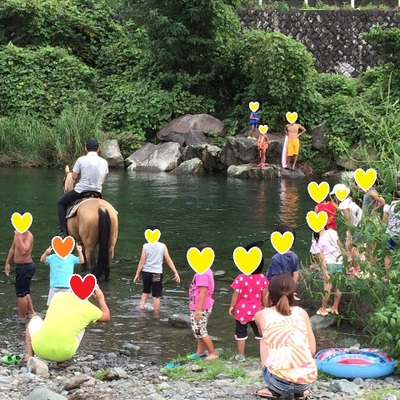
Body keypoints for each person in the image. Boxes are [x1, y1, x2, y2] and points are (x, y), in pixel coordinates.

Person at [255, 273, 317, 399]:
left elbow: (266, 336)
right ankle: (300, 392)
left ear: (269, 294)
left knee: (263, 339)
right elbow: (312, 350)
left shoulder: (262, 315)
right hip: (307, 380)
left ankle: (273, 389)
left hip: (278, 382)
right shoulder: (302, 313)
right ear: (293, 294)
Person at [23, 287, 110, 364]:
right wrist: (101, 299)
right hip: (65, 354)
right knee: (81, 328)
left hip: (40, 350)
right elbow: (106, 317)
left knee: (35, 319)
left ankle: (30, 355)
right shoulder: (90, 308)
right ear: (92, 292)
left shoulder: (58, 296)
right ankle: (61, 361)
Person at [57, 138, 108, 238]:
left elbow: (74, 177)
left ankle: (64, 232)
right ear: (98, 149)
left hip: (81, 191)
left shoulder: (81, 160)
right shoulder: (104, 162)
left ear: (85, 148)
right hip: (97, 192)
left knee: (60, 203)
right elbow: (102, 181)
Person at [229, 242, 269, 363]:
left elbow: (235, 293)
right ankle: (264, 355)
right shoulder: (262, 278)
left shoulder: (240, 278)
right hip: (257, 310)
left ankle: (241, 355)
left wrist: (232, 306)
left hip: (242, 311)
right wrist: (266, 307)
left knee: (241, 333)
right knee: (261, 333)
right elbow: (265, 295)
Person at [133, 225, 180, 311]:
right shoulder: (162, 246)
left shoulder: (145, 246)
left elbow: (141, 261)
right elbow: (168, 260)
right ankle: (156, 315)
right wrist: (175, 272)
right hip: (156, 274)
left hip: (146, 273)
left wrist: (137, 274)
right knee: (156, 295)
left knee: (145, 291)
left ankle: (141, 309)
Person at [188, 243, 218, 361]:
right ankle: (200, 353)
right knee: (199, 329)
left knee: (200, 330)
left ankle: (212, 353)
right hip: (199, 306)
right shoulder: (204, 271)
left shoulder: (203, 274)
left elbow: (203, 292)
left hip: (201, 307)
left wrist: (198, 309)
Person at [4, 229, 36, 322]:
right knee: (25, 292)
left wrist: (18, 237)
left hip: (26, 267)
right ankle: (31, 313)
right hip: (20, 267)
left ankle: (21, 318)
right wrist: (7, 263)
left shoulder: (29, 235)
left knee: (21, 294)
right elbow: (13, 249)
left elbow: (24, 251)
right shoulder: (17, 233)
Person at [314, 227, 345, 316]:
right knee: (339, 285)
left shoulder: (317, 240)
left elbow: (322, 259)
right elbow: (340, 245)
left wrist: (325, 272)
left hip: (328, 264)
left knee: (327, 287)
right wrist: (345, 258)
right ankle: (335, 307)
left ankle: (323, 309)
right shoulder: (332, 232)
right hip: (339, 262)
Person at [331, 184, 363, 272]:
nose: (335, 198)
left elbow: (348, 221)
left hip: (355, 228)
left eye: (335, 196)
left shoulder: (344, 205)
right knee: (356, 248)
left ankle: (356, 268)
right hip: (361, 226)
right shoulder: (349, 202)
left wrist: (349, 235)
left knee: (353, 248)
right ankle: (356, 268)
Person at [382, 199, 400, 269]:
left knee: (388, 254)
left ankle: (388, 275)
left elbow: (384, 222)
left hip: (389, 234)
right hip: (399, 234)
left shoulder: (388, 206)